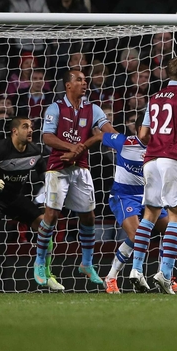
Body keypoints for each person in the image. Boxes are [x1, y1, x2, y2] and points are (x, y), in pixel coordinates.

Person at [0, 118, 63, 292]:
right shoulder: (0, 149)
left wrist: (53, 183)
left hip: (14, 197)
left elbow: (43, 174)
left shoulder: (35, 151)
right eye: (25, 127)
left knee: (45, 227)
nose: (30, 130)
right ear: (14, 131)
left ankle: (47, 274)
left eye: (31, 127)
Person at [128, 57, 177, 295]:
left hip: (151, 160)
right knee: (176, 214)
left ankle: (136, 270)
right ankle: (164, 272)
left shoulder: (154, 97)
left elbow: (143, 134)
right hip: (173, 159)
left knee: (150, 214)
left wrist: (157, 145)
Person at [33, 70, 116, 289]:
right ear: (68, 85)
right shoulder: (56, 108)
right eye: (79, 80)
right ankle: (39, 262)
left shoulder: (93, 109)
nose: (84, 83)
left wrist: (123, 142)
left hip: (80, 168)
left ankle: (86, 264)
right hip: (57, 168)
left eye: (85, 80)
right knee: (51, 214)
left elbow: (107, 130)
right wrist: (72, 147)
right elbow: (47, 137)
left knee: (88, 216)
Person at [101, 115, 170, 294]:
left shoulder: (160, 147)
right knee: (137, 234)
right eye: (149, 129)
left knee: (171, 231)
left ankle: (166, 275)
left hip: (149, 197)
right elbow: (100, 136)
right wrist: (80, 148)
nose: (152, 133)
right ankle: (111, 277)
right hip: (124, 196)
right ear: (140, 129)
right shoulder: (125, 142)